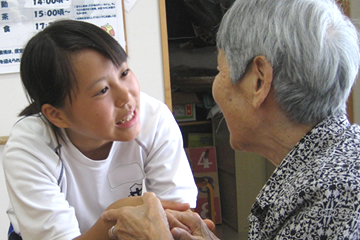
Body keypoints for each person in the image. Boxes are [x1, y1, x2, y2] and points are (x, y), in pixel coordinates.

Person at [101, 0, 360, 239]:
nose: (216, 86)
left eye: (220, 70)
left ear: (258, 81)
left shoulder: (333, 196)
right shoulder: (328, 168)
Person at [2, 19, 198, 240]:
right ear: (58, 115)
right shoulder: (29, 148)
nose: (126, 97)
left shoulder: (154, 119)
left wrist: (138, 218)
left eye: (124, 73)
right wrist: (117, 216)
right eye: (102, 90)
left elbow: (179, 214)